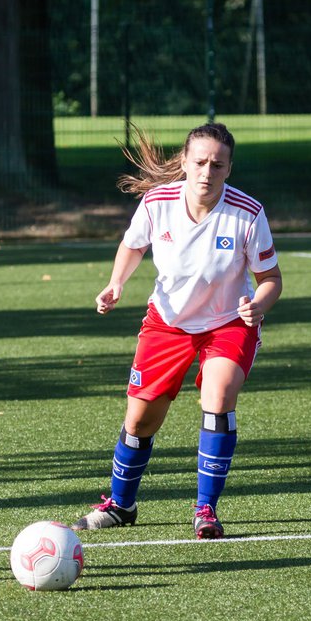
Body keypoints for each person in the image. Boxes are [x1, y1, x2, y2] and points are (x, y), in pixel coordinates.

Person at [72, 122, 282, 539]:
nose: (207, 172)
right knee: (140, 421)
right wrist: (116, 284)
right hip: (167, 324)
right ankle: (121, 504)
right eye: (200, 162)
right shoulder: (157, 202)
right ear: (184, 162)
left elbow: (271, 278)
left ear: (229, 168)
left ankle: (206, 509)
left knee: (218, 397)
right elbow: (133, 246)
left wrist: (258, 305)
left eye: (217, 165)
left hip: (227, 324)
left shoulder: (247, 213)